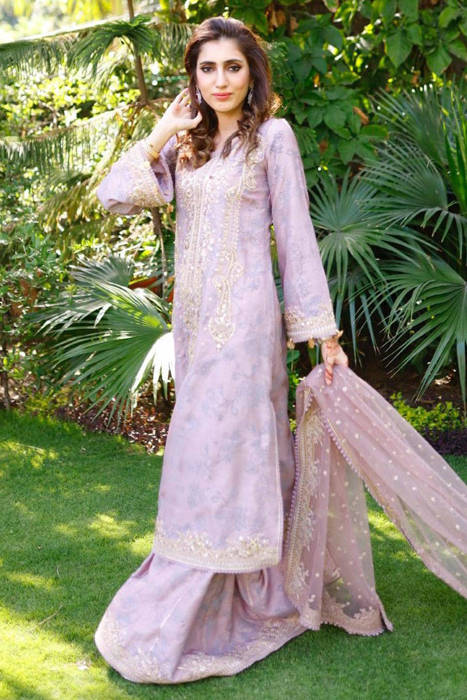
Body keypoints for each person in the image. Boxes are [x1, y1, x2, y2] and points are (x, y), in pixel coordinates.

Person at [94, 16, 466, 685]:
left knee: (234, 448)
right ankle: (215, 579)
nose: (220, 81)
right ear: (193, 77)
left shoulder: (272, 137)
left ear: (252, 72)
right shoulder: (187, 148)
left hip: (245, 326)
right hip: (194, 328)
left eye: (232, 67)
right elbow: (114, 197)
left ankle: (249, 589)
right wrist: (160, 134)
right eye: (207, 68)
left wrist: (322, 335)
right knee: (203, 453)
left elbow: (295, 236)